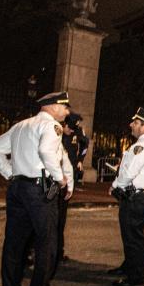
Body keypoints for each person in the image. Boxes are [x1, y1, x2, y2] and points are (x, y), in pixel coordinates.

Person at [0, 91, 74, 286]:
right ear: (53, 107)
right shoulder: (51, 126)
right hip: (39, 190)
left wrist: (10, 173)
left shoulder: (21, 126)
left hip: (18, 188)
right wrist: (59, 178)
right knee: (47, 243)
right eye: (65, 107)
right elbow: (46, 151)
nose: (67, 111)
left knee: (14, 244)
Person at [106, 107, 144, 286]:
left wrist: (115, 185)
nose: (131, 125)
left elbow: (130, 172)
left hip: (136, 197)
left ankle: (135, 276)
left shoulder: (143, 146)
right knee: (132, 234)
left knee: (133, 236)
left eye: (136, 123)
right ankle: (128, 266)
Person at [55, 113, 86, 265]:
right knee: (46, 216)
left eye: (74, 129)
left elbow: (85, 144)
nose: (72, 132)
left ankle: (58, 252)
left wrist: (80, 160)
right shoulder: (55, 132)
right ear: (64, 124)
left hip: (66, 179)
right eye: (70, 129)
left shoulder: (78, 132)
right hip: (54, 180)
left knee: (60, 218)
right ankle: (36, 251)